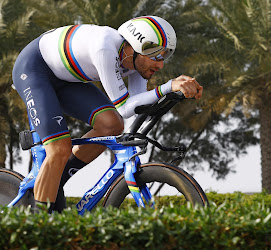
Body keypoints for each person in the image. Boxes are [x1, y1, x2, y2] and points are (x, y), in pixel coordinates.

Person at [12, 15, 203, 212]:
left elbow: (138, 105)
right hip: (35, 70)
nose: (160, 65)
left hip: (66, 80)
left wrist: (174, 93)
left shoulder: (136, 63)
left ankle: (57, 176)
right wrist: (168, 86)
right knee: (59, 148)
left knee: (112, 125)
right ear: (134, 48)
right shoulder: (105, 48)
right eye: (156, 56)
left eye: (165, 56)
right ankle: (38, 223)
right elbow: (125, 107)